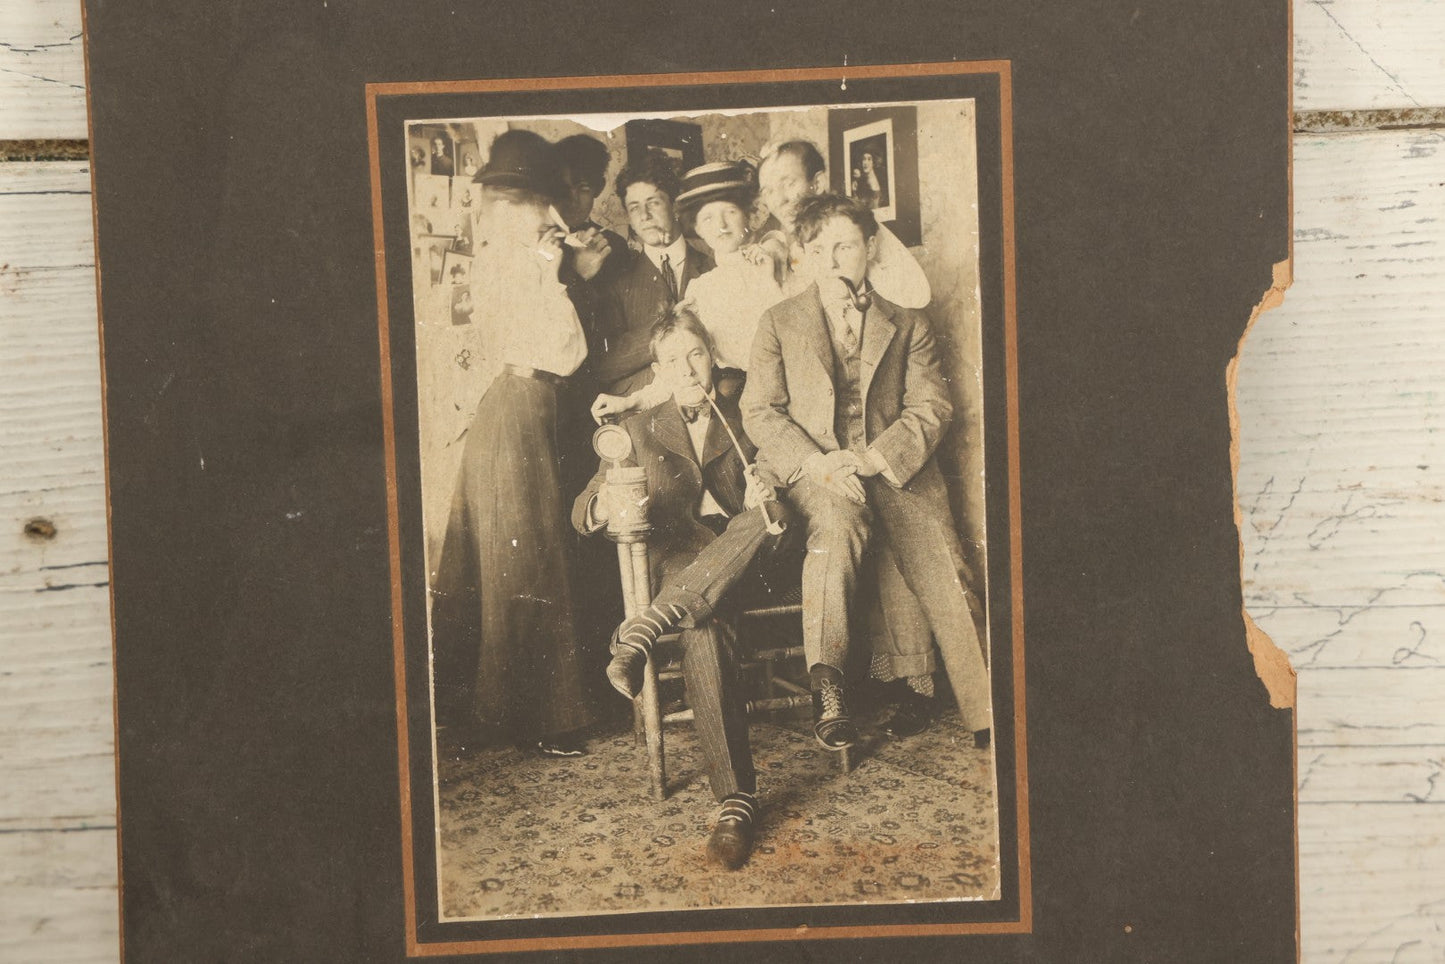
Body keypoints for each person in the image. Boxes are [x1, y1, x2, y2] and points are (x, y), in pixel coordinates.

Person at [742, 194, 993, 750]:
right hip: (816, 467)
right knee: (836, 526)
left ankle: (989, 710)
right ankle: (827, 683)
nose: (832, 259)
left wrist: (873, 458)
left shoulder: (907, 322)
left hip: (892, 462)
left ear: (869, 247)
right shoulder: (778, 322)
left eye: (845, 245)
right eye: (818, 249)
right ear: (803, 255)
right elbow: (761, 410)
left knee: (942, 551)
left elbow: (931, 407)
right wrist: (818, 463)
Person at [572, 308, 790, 870]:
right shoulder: (639, 430)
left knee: (759, 515)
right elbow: (581, 509)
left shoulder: (748, 412)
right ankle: (736, 802)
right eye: (672, 360)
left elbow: (784, 477)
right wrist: (608, 501)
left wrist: (769, 478)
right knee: (701, 621)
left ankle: (645, 627)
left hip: (753, 555)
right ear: (658, 371)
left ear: (711, 354)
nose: (687, 367)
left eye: (695, 353)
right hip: (687, 570)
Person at [430, 129, 597, 758]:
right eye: (535, 214)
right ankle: (543, 721)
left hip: (522, 409)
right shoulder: (515, 263)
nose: (544, 223)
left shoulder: (520, 257)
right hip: (518, 404)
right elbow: (566, 350)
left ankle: (488, 712)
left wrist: (554, 265)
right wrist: (555, 268)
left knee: (503, 556)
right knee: (529, 561)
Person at [588, 159, 784, 422]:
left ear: (748, 215)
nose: (721, 225)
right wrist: (632, 400)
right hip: (734, 408)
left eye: (731, 213)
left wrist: (770, 273)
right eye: (708, 218)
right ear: (698, 227)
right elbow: (679, 368)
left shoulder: (773, 262)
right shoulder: (701, 289)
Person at [590, 150, 713, 396]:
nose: (644, 216)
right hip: (645, 414)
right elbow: (604, 365)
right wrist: (666, 322)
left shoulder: (713, 265)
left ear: (675, 205)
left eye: (653, 203)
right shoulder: (616, 281)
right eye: (634, 208)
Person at [757, 140, 929, 310]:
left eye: (788, 184)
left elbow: (918, 296)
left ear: (817, 184)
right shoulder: (783, 247)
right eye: (768, 191)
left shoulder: (855, 223)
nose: (779, 200)